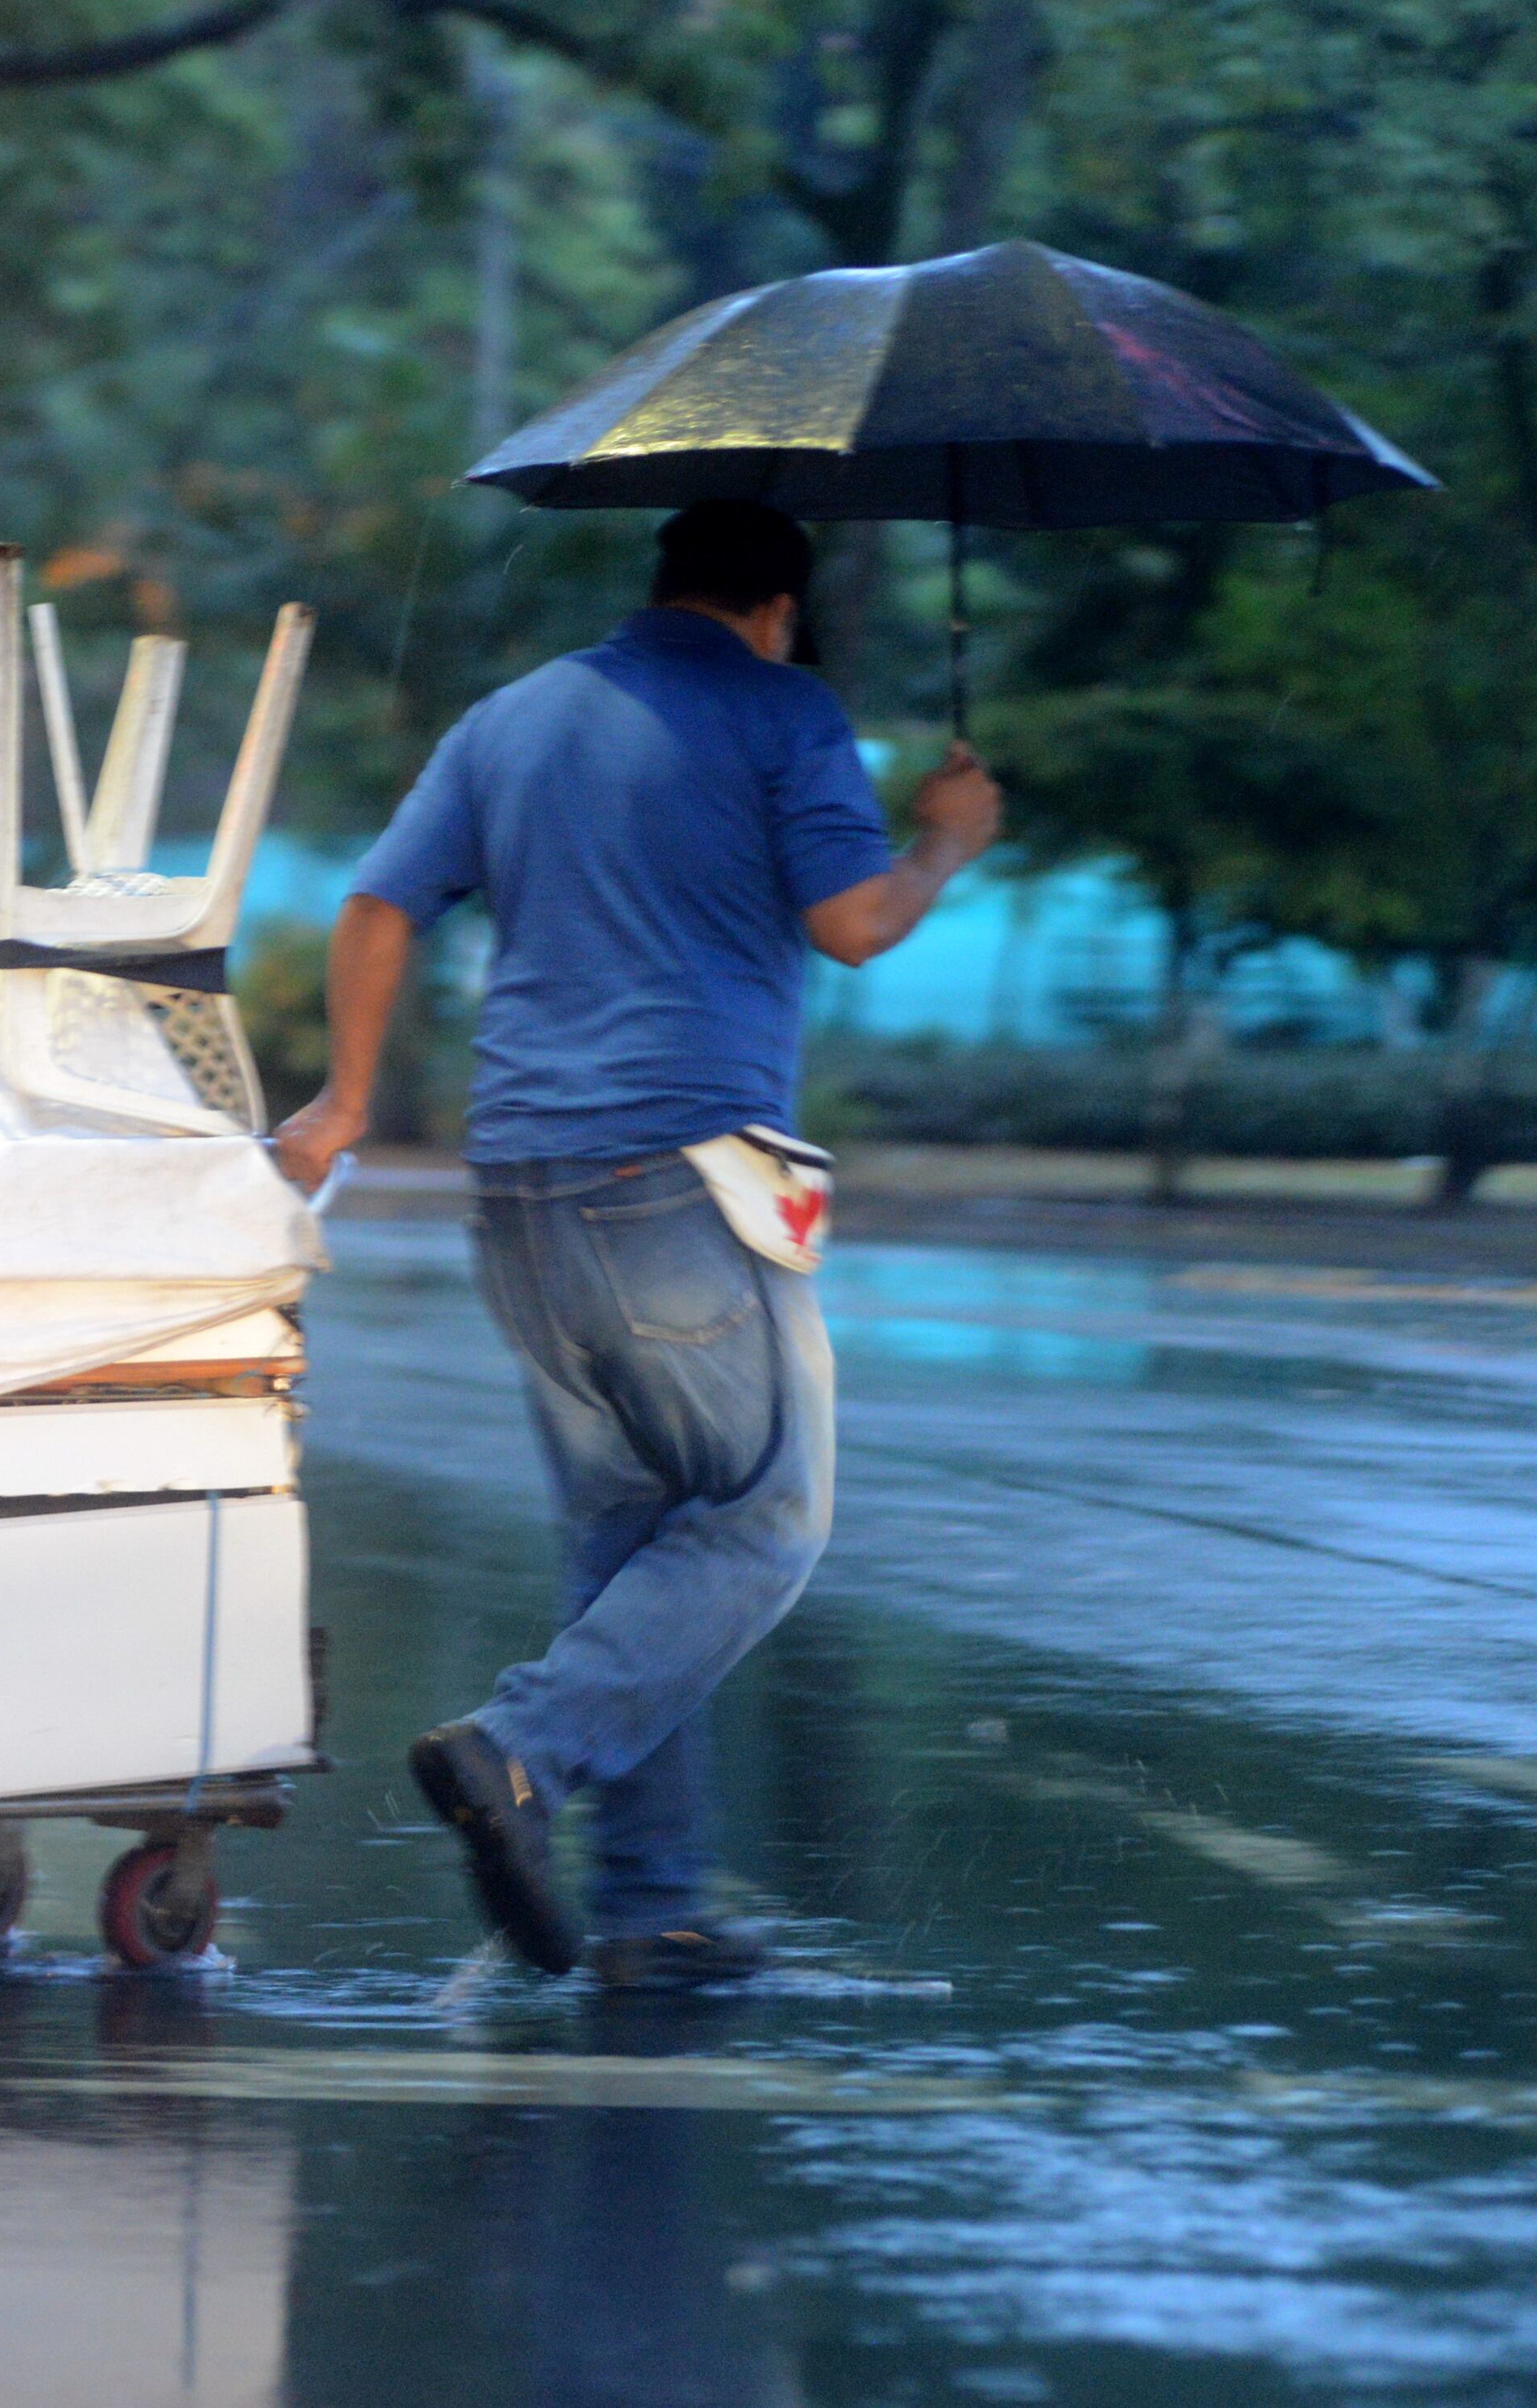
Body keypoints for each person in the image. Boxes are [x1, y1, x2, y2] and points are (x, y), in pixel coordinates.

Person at [273, 498, 1001, 1988]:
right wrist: (945, 840)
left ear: (663, 583)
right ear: (778, 611)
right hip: (683, 1179)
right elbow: (855, 924)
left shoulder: (513, 717)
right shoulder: (785, 711)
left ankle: (648, 1908)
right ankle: (518, 1751)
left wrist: (347, 1101)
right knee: (767, 1519)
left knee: (631, 1543)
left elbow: (375, 901)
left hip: (521, 1191)